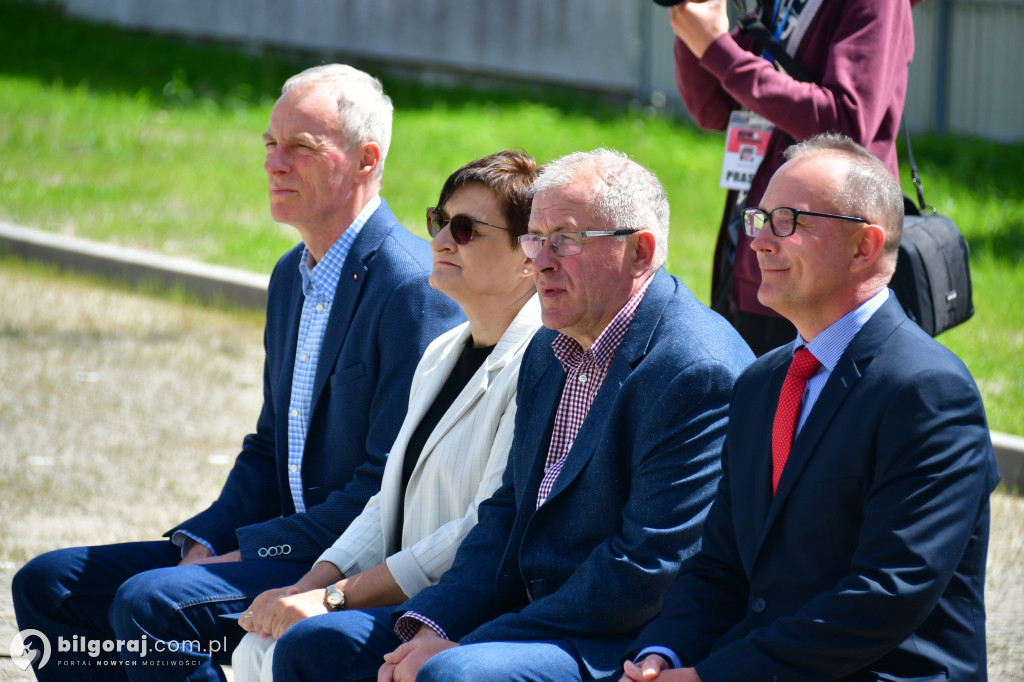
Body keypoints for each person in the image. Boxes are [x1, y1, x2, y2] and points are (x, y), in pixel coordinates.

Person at [11, 63, 465, 681]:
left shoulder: (412, 288)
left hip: (345, 564)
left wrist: (242, 553)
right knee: (49, 585)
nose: (275, 163)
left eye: (301, 148)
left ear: (365, 161)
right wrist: (205, 539)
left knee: (150, 604)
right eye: (270, 145)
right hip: (285, 540)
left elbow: (384, 490)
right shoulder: (290, 276)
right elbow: (269, 445)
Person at [266, 148, 753, 682]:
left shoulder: (693, 370)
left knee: (451, 676)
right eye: (535, 238)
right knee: (314, 645)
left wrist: (469, 641)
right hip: (518, 615)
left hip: (617, 640)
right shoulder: (551, 345)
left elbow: (643, 570)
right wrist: (437, 621)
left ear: (639, 253)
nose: (540, 260)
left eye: (564, 240)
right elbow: (505, 513)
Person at [618, 134, 999, 682]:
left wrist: (714, 676)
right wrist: (664, 654)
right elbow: (720, 565)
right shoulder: (762, 381)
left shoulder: (928, 391)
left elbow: (885, 594)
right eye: (759, 219)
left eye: (788, 221)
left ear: (863, 247)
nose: (760, 243)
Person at [227, 149, 543, 680]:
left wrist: (333, 599)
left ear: (528, 255)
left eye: (465, 228)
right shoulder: (444, 351)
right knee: (262, 643)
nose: (440, 240)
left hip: (458, 616)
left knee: (299, 645)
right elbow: (385, 499)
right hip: (398, 595)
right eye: (438, 221)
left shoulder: (540, 365)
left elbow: (480, 529)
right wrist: (308, 585)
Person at [664, 0, 917, 355]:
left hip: (822, 268)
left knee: (810, 404)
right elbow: (715, 107)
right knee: (752, 400)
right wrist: (693, 32)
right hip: (753, 250)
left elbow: (845, 123)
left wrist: (716, 49)